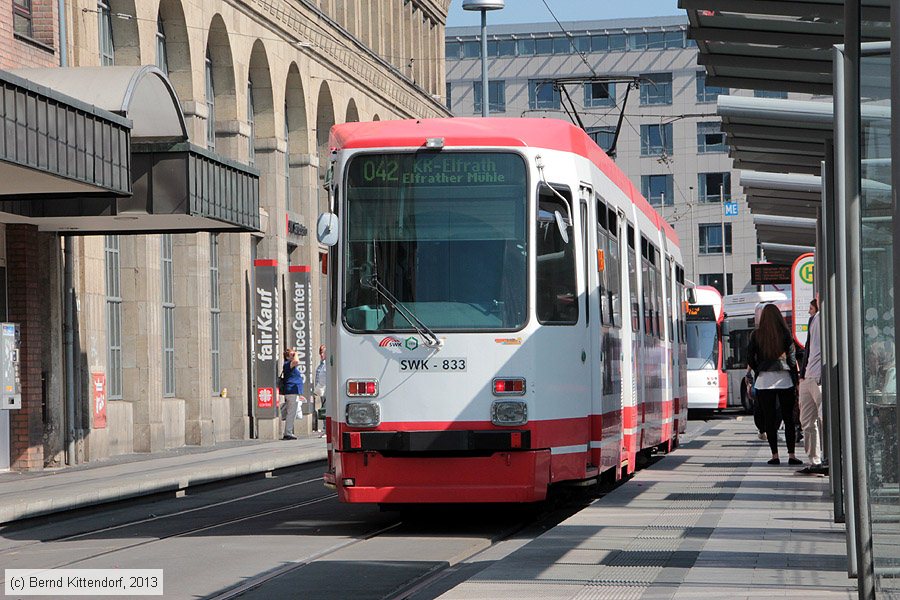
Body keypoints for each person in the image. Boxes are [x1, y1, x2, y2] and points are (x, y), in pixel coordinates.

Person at [748, 303, 802, 465]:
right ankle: (791, 455)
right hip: (784, 380)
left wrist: (760, 369)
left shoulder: (756, 335)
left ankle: (775, 456)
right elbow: (792, 359)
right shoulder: (786, 334)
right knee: (788, 419)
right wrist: (795, 377)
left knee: (770, 419)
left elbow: (750, 358)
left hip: (764, 381)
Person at [797, 299, 823, 475]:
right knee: (807, 421)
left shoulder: (824, 318)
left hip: (819, 377)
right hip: (808, 376)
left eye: (811, 308)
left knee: (822, 419)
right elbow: (808, 348)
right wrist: (802, 375)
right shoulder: (813, 320)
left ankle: (826, 458)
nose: (808, 311)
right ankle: (814, 460)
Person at [281, 348, 304, 440]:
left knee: (291, 411)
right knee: (291, 412)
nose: (294, 356)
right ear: (287, 357)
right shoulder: (287, 364)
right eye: (291, 355)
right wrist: (296, 354)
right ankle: (288, 432)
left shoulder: (290, 366)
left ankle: (288, 431)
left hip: (294, 391)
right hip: (291, 391)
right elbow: (296, 361)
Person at [312, 344, 327, 436]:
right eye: (320, 352)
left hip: (325, 389)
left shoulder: (326, 364)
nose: (321, 354)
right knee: (324, 408)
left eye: (323, 352)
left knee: (326, 409)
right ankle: (325, 428)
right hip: (321, 390)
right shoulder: (321, 364)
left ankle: (326, 429)